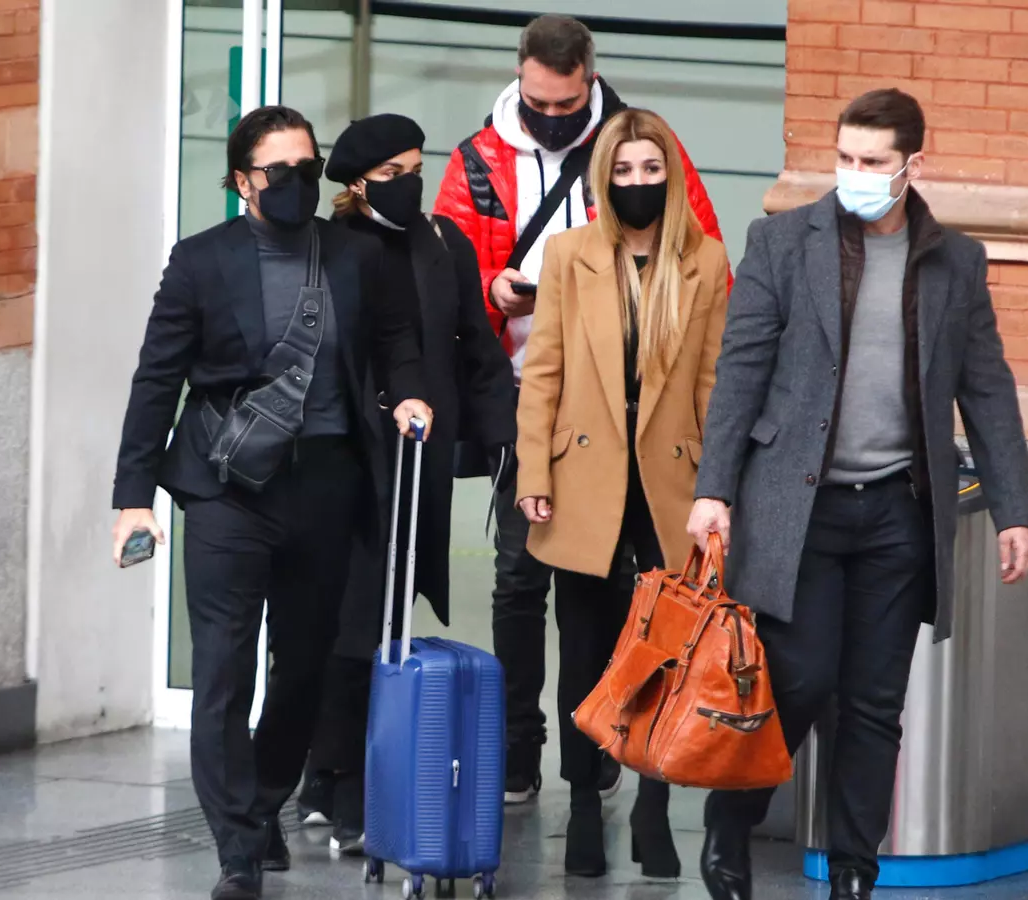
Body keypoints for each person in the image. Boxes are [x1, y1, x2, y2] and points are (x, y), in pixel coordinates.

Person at [685, 88, 1028, 900]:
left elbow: (986, 388)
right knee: (799, 680)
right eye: (845, 157)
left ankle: (854, 871)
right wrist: (715, 490)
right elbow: (741, 371)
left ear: (913, 164)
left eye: (873, 161)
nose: (855, 173)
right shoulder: (782, 242)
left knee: (876, 704)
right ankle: (731, 824)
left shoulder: (955, 261)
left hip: (896, 510)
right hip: (798, 507)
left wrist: (1014, 509)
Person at [109, 105, 432, 900]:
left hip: (325, 484)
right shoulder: (200, 261)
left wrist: (408, 393)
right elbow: (158, 379)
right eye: (278, 170)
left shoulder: (356, 255)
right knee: (223, 667)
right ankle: (237, 849)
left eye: (306, 168)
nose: (295, 182)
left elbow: (397, 340)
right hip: (227, 489)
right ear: (242, 180)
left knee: (305, 666)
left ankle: (261, 802)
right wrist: (133, 497)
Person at [432, 11, 726, 806]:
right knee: (519, 580)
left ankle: (604, 743)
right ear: (520, 78)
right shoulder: (479, 161)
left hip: (633, 409)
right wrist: (491, 289)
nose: (552, 117)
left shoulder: (639, 149)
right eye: (539, 103)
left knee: (621, 587)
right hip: (525, 390)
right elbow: (445, 271)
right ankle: (519, 751)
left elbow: (701, 261)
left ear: (590, 82)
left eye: (567, 105)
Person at [273, 114, 517, 860]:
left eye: (416, 168)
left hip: (417, 463)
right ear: (356, 183)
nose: (409, 183)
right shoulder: (329, 247)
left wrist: (502, 442)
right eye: (391, 174)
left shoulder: (442, 242)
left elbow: (475, 348)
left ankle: (333, 773)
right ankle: (339, 779)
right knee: (349, 626)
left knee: (385, 624)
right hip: (345, 465)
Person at [514, 108, 732, 880]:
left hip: (672, 483)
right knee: (583, 652)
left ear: (671, 176)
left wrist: (719, 489)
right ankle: (582, 803)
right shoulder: (569, 255)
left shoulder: (704, 260)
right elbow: (543, 370)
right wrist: (533, 474)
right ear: (603, 179)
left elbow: (715, 383)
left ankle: (651, 806)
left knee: (667, 656)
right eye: (623, 170)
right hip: (584, 478)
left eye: (651, 168)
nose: (638, 182)